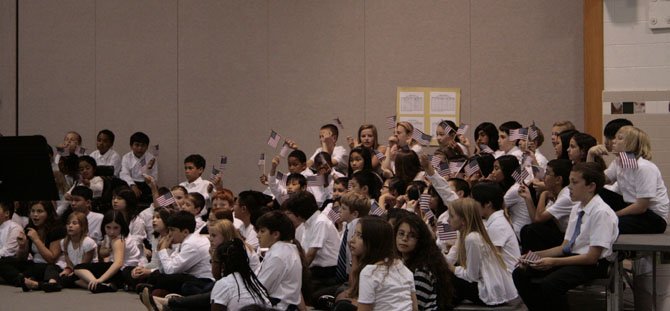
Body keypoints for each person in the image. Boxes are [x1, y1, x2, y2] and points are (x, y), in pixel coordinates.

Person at [513, 162, 618, 311]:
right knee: (520, 273)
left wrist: (553, 262)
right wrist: (533, 255)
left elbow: (591, 257)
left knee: (551, 283)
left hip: (593, 264)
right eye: (569, 181)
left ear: (591, 186)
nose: (569, 187)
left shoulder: (601, 213)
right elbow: (564, 247)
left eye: (574, 182)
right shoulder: (577, 207)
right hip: (574, 257)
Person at [589, 126, 668, 233]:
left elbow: (641, 207)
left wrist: (614, 214)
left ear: (632, 144)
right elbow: (595, 181)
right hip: (632, 206)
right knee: (594, 188)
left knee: (607, 223)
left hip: (653, 217)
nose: (613, 141)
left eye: (620, 138)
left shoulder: (644, 168)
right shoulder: (619, 162)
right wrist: (591, 155)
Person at [447, 198, 518, 306]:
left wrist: (452, 269)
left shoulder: (472, 238)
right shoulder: (467, 234)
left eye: (452, 216)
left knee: (447, 276)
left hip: (488, 291)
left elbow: (472, 275)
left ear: (464, 220)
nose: (448, 220)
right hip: (489, 286)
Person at [337, 216, 418, 311]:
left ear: (374, 241)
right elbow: (415, 308)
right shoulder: (403, 268)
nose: (352, 240)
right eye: (354, 234)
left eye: (360, 236)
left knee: (342, 305)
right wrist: (355, 256)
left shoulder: (369, 272)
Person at [0, 201, 66, 291]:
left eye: (40, 211)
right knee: (3, 262)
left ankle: (33, 283)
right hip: (34, 264)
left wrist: (36, 240)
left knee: (50, 269)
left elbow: (51, 259)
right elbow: (22, 258)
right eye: (33, 211)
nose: (35, 215)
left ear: (48, 213)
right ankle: (23, 281)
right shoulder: (29, 227)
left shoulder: (57, 229)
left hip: (52, 266)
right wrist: (22, 247)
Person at [283, 191, 339, 294]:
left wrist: (297, 273)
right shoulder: (307, 224)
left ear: (299, 212)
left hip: (327, 274)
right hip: (315, 271)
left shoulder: (320, 222)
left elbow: (311, 254)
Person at [395, 213, 453, 310]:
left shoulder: (421, 271)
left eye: (412, 235)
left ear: (420, 240)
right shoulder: (402, 262)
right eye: (401, 233)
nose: (404, 239)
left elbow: (414, 307)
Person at [74, 210, 142, 293]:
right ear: (104, 226)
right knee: (74, 279)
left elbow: (118, 263)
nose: (112, 231)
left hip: (122, 270)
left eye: (116, 228)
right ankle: (104, 286)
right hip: (118, 270)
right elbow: (102, 253)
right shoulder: (110, 236)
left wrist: (99, 279)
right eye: (108, 227)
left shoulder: (119, 239)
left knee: (78, 268)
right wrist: (109, 249)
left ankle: (97, 283)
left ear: (122, 226)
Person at [519, 159, 578, 251]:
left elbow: (539, 218)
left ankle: (534, 262)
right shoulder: (555, 192)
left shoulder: (565, 196)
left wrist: (543, 194)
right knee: (528, 229)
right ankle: (531, 261)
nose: (544, 178)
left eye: (547, 173)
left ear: (558, 179)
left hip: (571, 240)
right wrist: (528, 197)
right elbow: (536, 219)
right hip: (561, 234)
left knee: (530, 231)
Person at [255, 211, 303, 310]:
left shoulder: (277, 256)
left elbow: (260, 289)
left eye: (262, 231)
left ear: (276, 234)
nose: (258, 235)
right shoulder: (286, 248)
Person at [470, 182, 520, 272]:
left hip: (507, 278)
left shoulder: (497, 225)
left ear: (488, 204)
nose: (471, 205)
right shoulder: (495, 221)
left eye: (474, 201)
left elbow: (491, 260)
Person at [210, 239, 271, 310]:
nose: (211, 265)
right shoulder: (253, 281)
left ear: (223, 266)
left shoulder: (223, 284)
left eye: (212, 261)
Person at [486, 155, 530, 239]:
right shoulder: (512, 186)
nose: (492, 172)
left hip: (518, 233)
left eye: (496, 168)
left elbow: (491, 208)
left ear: (506, 170)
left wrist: (486, 185)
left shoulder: (515, 189)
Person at [58, 212, 98, 289]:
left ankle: (94, 285)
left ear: (82, 227)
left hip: (88, 271)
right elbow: (69, 263)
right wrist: (68, 270)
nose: (70, 226)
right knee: (62, 277)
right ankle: (93, 286)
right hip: (75, 271)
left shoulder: (88, 242)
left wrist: (73, 273)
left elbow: (84, 265)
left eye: (74, 223)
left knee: (70, 279)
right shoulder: (64, 242)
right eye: (68, 223)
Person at [119, 131, 158, 205]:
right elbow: (124, 174)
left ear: (147, 147)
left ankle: (156, 210)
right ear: (131, 146)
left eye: (143, 145)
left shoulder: (151, 158)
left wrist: (148, 178)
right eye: (137, 145)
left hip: (146, 184)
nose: (140, 148)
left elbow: (154, 178)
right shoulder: (126, 157)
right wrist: (132, 185)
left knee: (165, 195)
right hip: (131, 183)